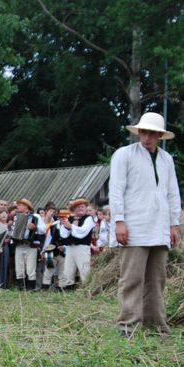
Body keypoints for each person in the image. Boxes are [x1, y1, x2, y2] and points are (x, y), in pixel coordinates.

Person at [109, 112, 180, 336]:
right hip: (134, 225)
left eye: (151, 133)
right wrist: (119, 220)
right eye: (143, 132)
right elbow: (116, 190)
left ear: (159, 135)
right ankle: (128, 325)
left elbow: (172, 193)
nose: (146, 137)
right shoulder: (124, 155)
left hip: (159, 226)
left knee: (157, 280)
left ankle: (156, 324)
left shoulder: (166, 159)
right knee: (132, 278)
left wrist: (173, 224)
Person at [58, 197, 95, 290]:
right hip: (70, 248)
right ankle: (68, 290)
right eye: (78, 207)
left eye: (82, 206)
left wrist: (71, 226)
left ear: (86, 208)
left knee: (84, 270)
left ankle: (88, 290)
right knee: (68, 271)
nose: (80, 208)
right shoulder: (70, 218)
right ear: (74, 209)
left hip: (82, 247)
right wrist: (67, 227)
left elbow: (83, 232)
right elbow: (63, 234)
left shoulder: (89, 219)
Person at [11, 198, 46, 290]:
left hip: (31, 245)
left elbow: (43, 230)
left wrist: (35, 227)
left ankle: (31, 288)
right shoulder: (16, 217)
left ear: (26, 206)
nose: (18, 207)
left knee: (31, 268)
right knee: (19, 267)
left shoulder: (35, 216)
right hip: (19, 244)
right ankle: (21, 288)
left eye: (20, 205)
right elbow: (13, 231)